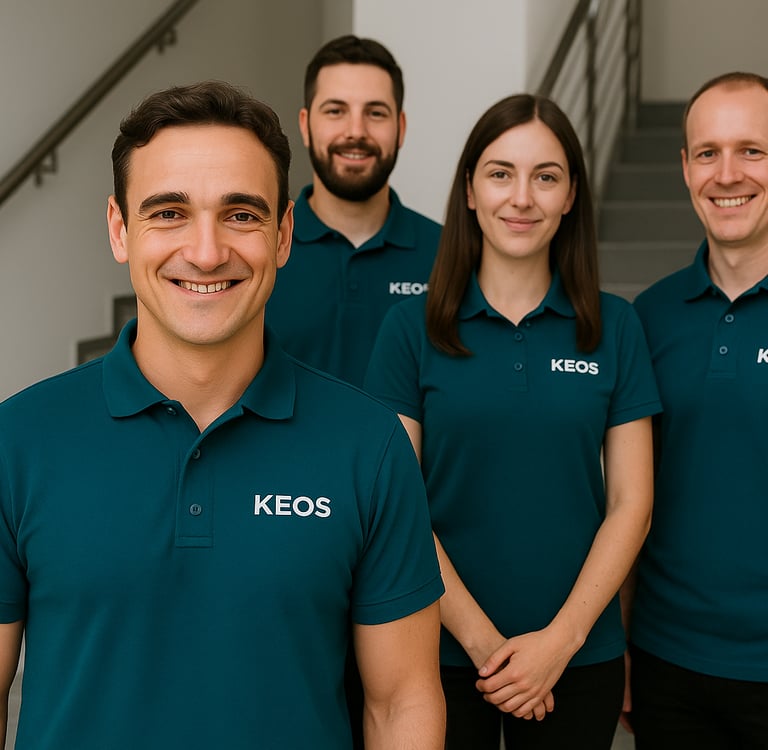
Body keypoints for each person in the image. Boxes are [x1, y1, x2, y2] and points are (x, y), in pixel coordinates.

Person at [0, 80, 446, 750]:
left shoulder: (369, 446)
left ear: (284, 234)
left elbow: (402, 702)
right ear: (120, 230)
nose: (206, 252)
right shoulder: (19, 441)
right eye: (169, 213)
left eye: (240, 215)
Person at [364, 93, 660, 749]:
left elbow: (631, 503)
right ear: (469, 190)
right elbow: (398, 505)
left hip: (576, 657)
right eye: (500, 173)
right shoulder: (411, 331)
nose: (521, 197)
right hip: (435, 651)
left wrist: (561, 640)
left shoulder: (616, 327)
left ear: (571, 195)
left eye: (545, 176)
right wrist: (486, 644)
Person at [627, 71, 768, 749]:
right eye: (707, 153)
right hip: (667, 665)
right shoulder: (645, 320)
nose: (727, 173)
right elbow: (628, 498)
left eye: (752, 150)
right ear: (685, 168)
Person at [267, 34, 441, 387]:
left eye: (375, 113)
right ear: (305, 124)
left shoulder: (450, 254)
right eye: (335, 111)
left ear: (401, 128)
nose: (356, 132)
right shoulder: (261, 248)